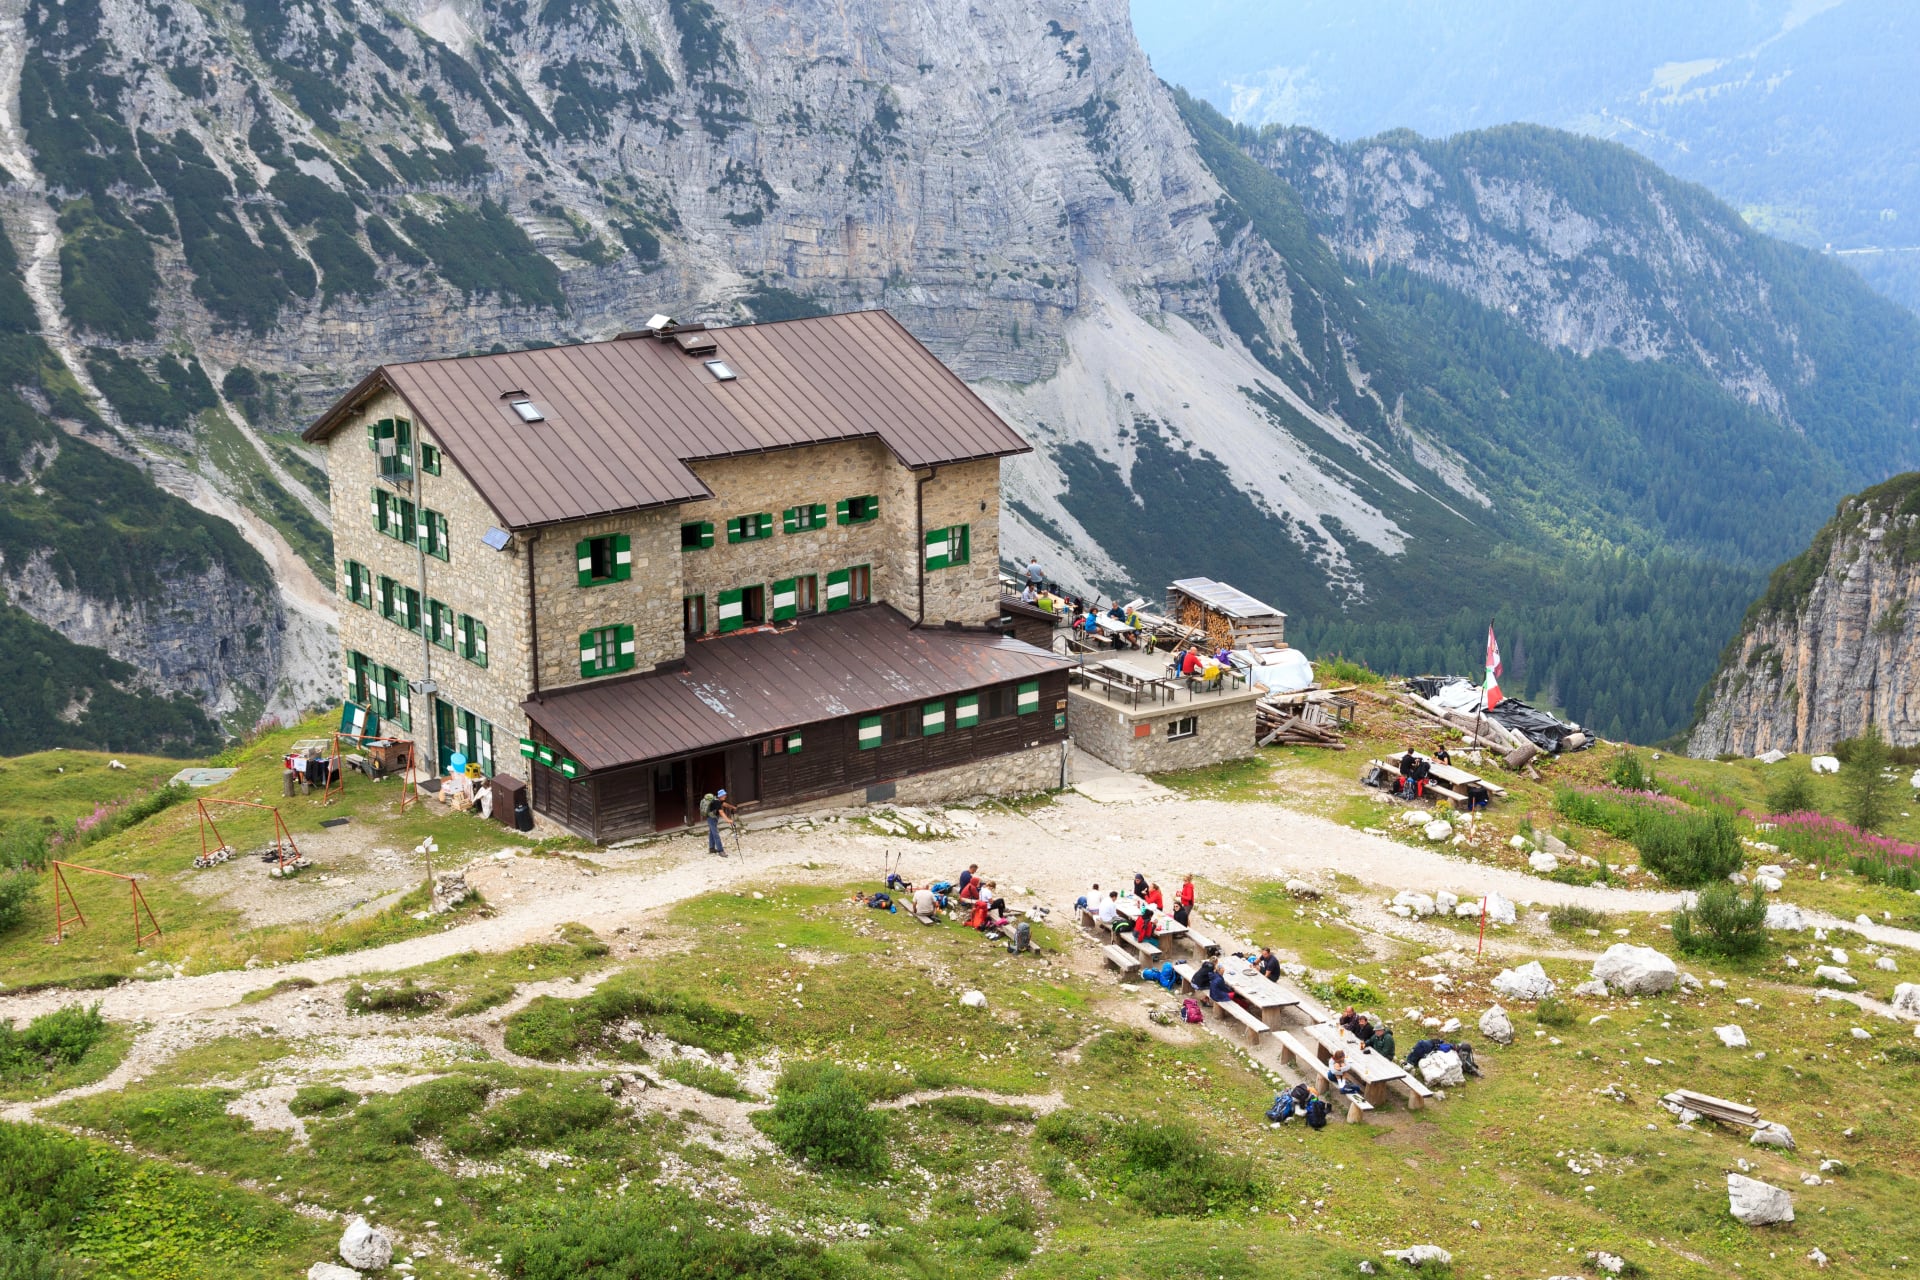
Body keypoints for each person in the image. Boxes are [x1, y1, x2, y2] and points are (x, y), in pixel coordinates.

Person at [700, 788, 734, 855]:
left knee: (712, 833)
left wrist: (732, 807)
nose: (725, 796)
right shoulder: (717, 802)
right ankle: (720, 851)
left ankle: (711, 848)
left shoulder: (717, 799)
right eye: (724, 795)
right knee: (716, 834)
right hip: (711, 819)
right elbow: (721, 812)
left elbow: (724, 804)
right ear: (721, 796)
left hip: (712, 818)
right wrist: (728, 820)